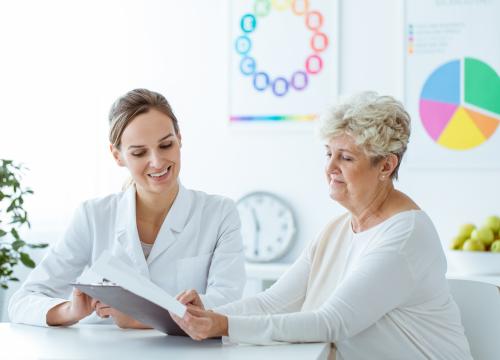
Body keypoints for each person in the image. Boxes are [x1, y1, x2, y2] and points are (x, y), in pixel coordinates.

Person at [171, 92, 472, 359]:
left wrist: (222, 326)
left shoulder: (406, 235)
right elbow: (274, 302)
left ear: (386, 165)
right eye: (329, 153)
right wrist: (205, 315)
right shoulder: (339, 229)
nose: (330, 168)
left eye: (346, 158)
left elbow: (332, 322)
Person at [8, 88, 246, 328]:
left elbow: (229, 305)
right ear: (117, 155)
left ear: (179, 139)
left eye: (166, 145)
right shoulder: (93, 216)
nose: (157, 161)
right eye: (139, 152)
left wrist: (139, 318)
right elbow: (22, 302)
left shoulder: (219, 213)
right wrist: (71, 310)